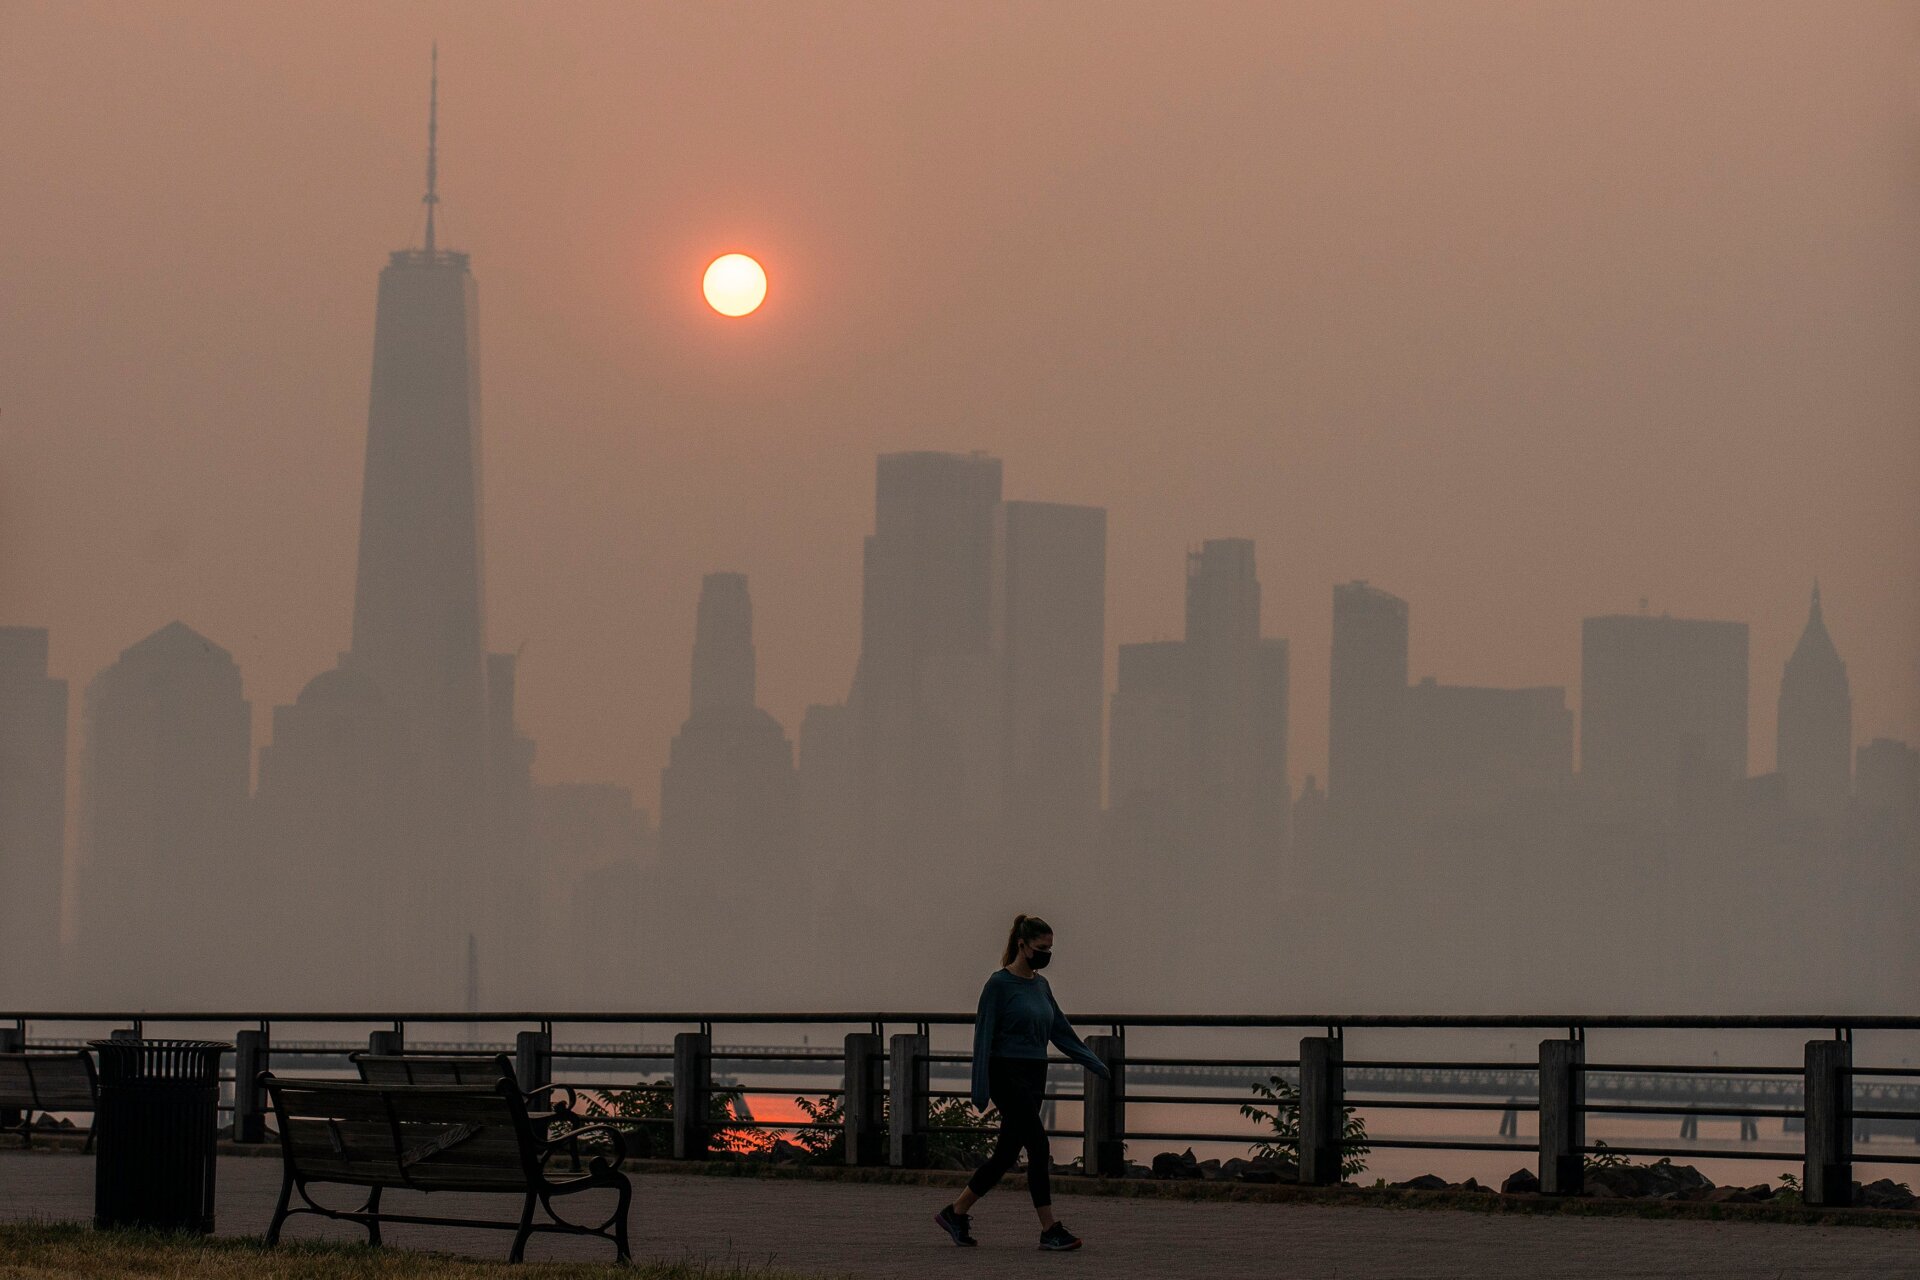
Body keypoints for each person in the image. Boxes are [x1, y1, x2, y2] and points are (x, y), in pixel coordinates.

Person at [933, 914, 1110, 1252]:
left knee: (1006, 1154)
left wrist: (1092, 1061)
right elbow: (983, 1036)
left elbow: (1059, 1029)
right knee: (1038, 1146)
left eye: (1050, 948)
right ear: (1022, 945)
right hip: (1006, 1072)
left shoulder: (1041, 986)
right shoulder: (998, 985)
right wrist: (980, 1088)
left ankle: (955, 1212)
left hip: (1035, 1072)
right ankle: (1049, 1229)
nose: (1046, 954)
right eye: (1041, 948)